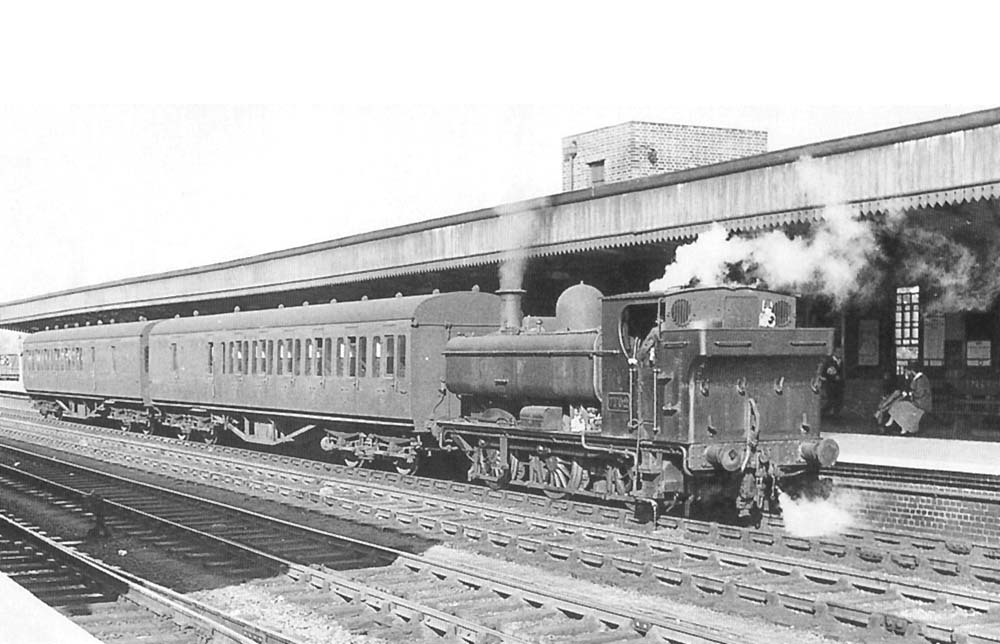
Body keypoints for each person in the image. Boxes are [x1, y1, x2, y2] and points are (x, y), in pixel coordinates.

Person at [875, 364, 932, 435]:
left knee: (899, 406)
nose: (906, 373)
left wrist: (910, 393)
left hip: (921, 403)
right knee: (899, 404)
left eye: (907, 371)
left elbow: (920, 393)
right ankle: (900, 427)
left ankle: (898, 424)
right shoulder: (917, 378)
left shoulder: (921, 379)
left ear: (911, 371)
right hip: (917, 401)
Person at [817, 349, 845, 417]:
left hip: (839, 385)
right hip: (830, 384)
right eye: (838, 352)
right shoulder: (829, 362)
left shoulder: (841, 362)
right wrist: (833, 377)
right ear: (834, 353)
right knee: (831, 400)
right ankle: (822, 413)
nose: (839, 354)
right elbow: (826, 372)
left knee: (839, 400)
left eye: (840, 352)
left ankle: (836, 414)